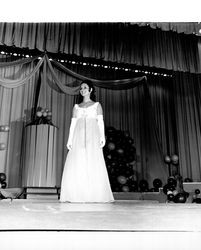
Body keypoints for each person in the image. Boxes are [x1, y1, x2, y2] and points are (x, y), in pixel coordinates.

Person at [60, 80, 114, 203]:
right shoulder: (76, 107)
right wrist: (70, 140)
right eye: (81, 88)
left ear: (90, 90)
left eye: (85, 87)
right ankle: (78, 194)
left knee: (93, 162)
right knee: (78, 161)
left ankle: (94, 194)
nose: (82, 89)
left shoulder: (96, 105)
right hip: (78, 136)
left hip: (92, 136)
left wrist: (102, 137)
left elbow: (100, 122)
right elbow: (72, 125)